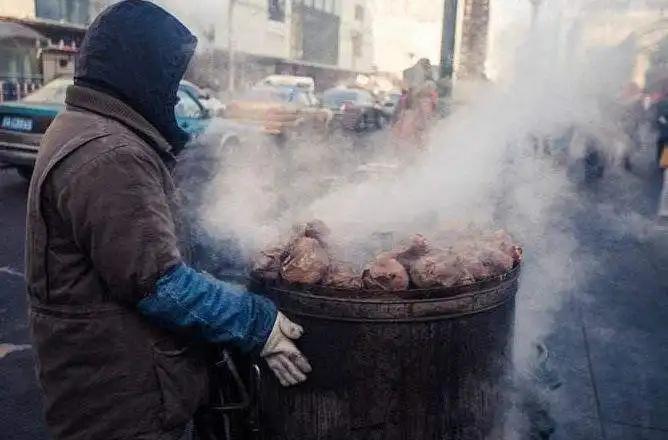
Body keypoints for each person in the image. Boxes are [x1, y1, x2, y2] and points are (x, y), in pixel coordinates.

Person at [25, 2, 311, 439]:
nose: (174, 94)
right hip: (119, 401)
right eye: (169, 78)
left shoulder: (87, 127)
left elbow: (145, 242)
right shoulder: (110, 154)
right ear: (138, 69)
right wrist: (257, 323)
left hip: (113, 383)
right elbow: (157, 284)